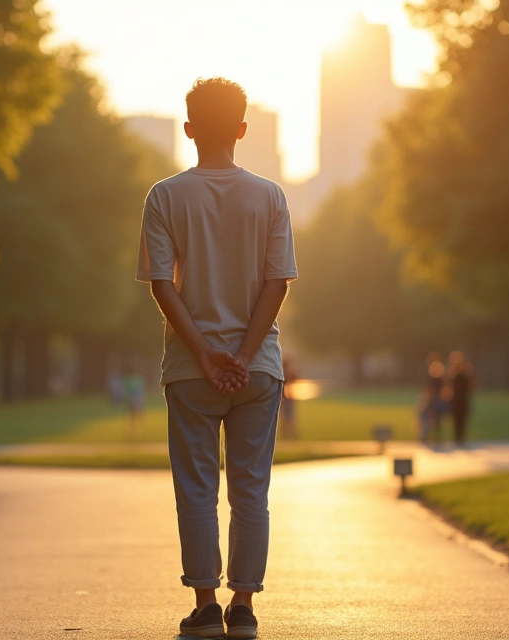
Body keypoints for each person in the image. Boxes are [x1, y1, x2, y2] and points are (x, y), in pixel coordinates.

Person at [136, 77, 297, 640]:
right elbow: (277, 284)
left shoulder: (165, 196)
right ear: (243, 130)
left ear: (188, 130)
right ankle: (245, 605)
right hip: (258, 369)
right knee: (251, 488)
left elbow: (161, 284)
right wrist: (244, 356)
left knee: (197, 487)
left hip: (189, 368)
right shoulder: (271, 196)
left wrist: (206, 354)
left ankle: (205, 604)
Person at [417, 356, 446, 445]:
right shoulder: (435, 380)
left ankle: (431, 437)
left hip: (435, 402)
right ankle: (427, 436)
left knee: (433, 420)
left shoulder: (439, 380)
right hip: (433, 402)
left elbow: (432, 392)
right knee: (428, 420)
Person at [448, 352, 474, 447]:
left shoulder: (461, 376)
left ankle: (459, 438)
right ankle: (458, 438)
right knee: (458, 421)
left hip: (460, 401)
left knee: (460, 421)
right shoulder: (455, 376)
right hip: (458, 402)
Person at [278, 355, 300, 440]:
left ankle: (290, 433)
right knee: (287, 416)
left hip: (287, 396)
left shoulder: (284, 371)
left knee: (289, 416)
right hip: (285, 397)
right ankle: (287, 433)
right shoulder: (284, 371)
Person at [123, 362, 147, 439]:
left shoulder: (132, 378)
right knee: (135, 414)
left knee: (134, 414)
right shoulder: (135, 378)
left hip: (134, 399)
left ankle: (135, 428)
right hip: (135, 399)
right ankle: (136, 428)